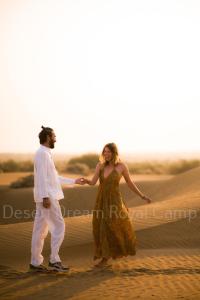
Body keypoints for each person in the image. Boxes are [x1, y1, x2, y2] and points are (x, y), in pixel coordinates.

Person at [83, 143, 151, 268]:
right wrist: (86, 181)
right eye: (104, 152)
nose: (106, 154)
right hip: (102, 201)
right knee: (102, 226)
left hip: (115, 201)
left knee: (116, 226)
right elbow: (93, 182)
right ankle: (105, 258)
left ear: (114, 153)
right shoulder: (100, 166)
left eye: (108, 152)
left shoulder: (122, 166)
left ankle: (116, 251)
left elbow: (130, 183)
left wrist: (142, 196)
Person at [30, 126, 84, 272]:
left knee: (40, 230)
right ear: (48, 137)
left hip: (45, 196)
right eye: (54, 136)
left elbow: (53, 178)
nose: (56, 139)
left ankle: (35, 263)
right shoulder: (42, 154)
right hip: (48, 198)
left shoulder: (45, 153)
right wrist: (45, 197)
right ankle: (54, 260)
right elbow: (41, 177)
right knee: (59, 226)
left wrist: (74, 181)